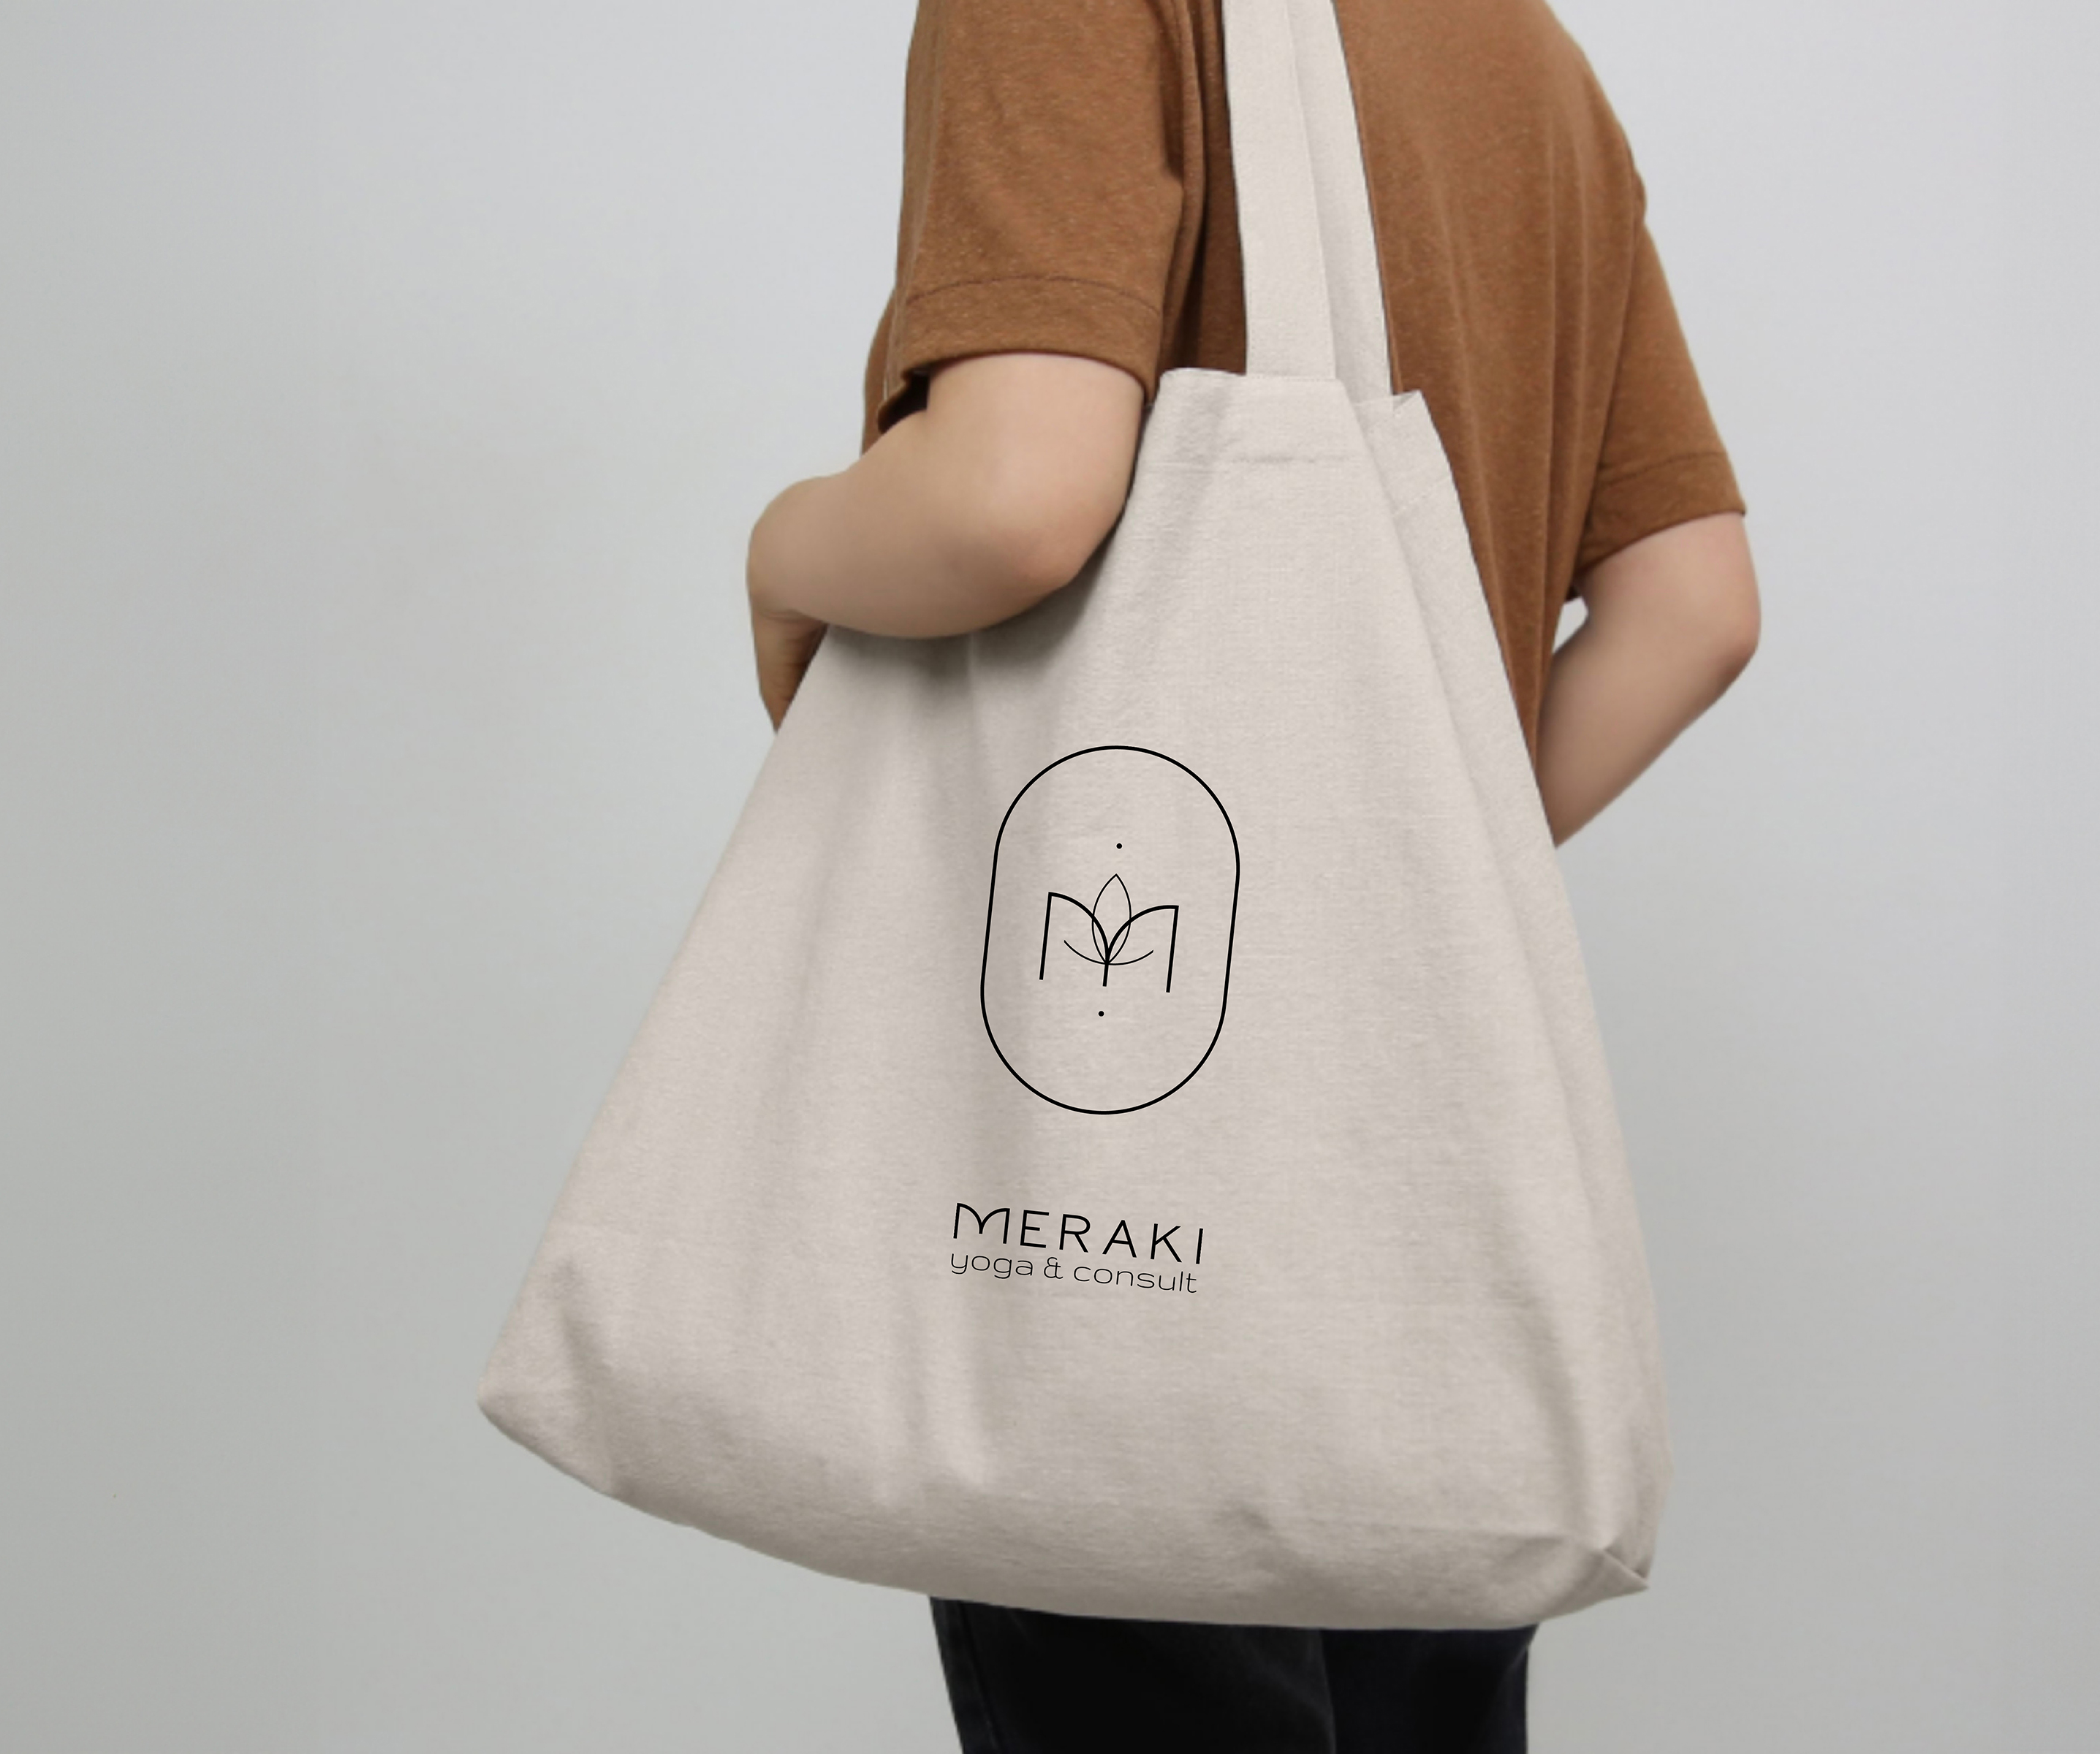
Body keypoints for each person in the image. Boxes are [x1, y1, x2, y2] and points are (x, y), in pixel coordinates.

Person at [742, 0, 1759, 1746]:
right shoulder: (1523, 54)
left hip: (1114, 1165)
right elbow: (1694, 603)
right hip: (1413, 1165)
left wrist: (781, 551)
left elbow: (1010, 496)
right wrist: (1393, 891)